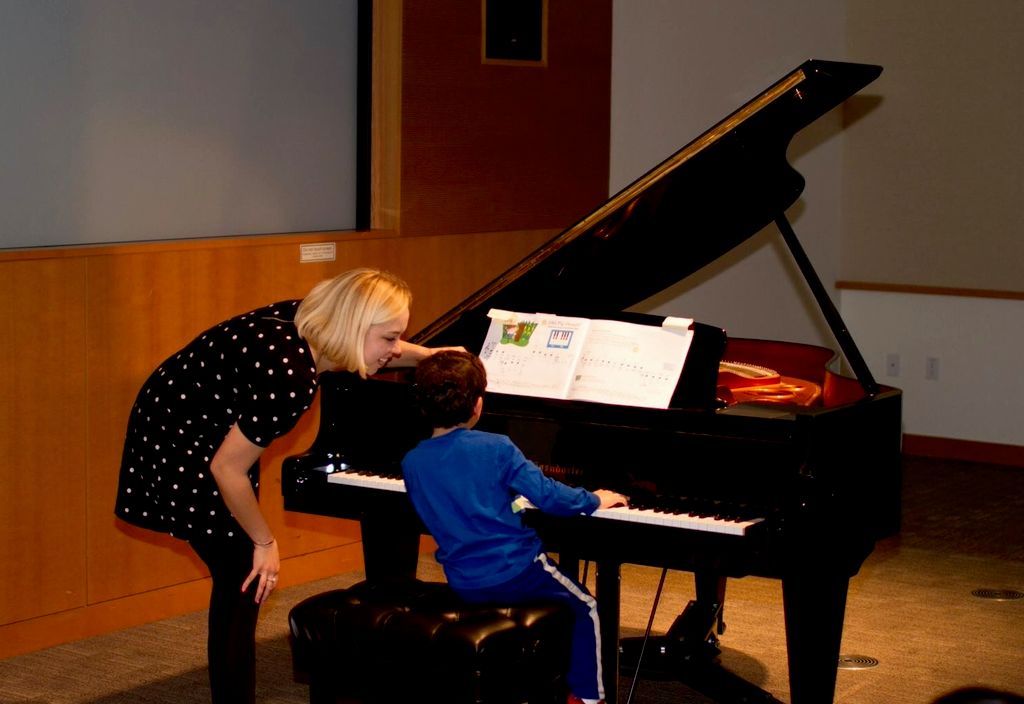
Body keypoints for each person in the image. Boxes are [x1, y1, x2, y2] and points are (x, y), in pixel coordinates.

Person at [114, 267, 445, 704]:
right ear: (351, 324)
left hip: (197, 419)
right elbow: (226, 469)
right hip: (180, 440)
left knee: (240, 574)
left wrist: (429, 355)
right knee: (245, 575)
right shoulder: (290, 378)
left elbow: (375, 342)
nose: (394, 349)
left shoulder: (310, 317)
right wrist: (264, 540)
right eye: (389, 339)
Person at [401, 349, 628, 704]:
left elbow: (448, 508)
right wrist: (595, 499)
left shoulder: (413, 461)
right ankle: (588, 697)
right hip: (518, 573)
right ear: (477, 404)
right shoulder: (496, 446)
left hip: (464, 581)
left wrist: (506, 504)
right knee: (587, 606)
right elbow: (552, 498)